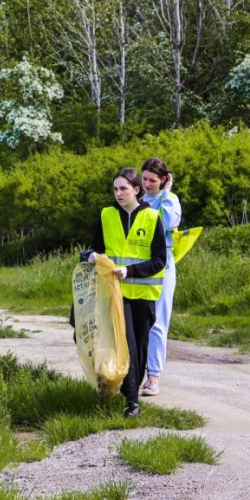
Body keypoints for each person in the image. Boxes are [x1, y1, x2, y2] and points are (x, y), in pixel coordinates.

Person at [86, 168, 166, 418]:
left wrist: (130, 270)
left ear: (136, 190)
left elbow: (159, 261)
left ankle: (129, 392)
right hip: (116, 295)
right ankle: (131, 401)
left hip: (144, 295)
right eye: (115, 189)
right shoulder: (106, 215)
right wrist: (90, 256)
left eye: (123, 188)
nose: (118, 193)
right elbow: (95, 249)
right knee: (126, 344)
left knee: (140, 347)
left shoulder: (152, 217)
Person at [139, 158, 181, 397]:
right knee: (136, 320)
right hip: (138, 262)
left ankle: (153, 376)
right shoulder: (139, 199)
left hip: (162, 262)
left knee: (158, 321)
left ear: (164, 180)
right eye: (144, 179)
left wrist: (165, 194)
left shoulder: (170, 200)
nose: (147, 184)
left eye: (152, 180)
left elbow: (167, 222)